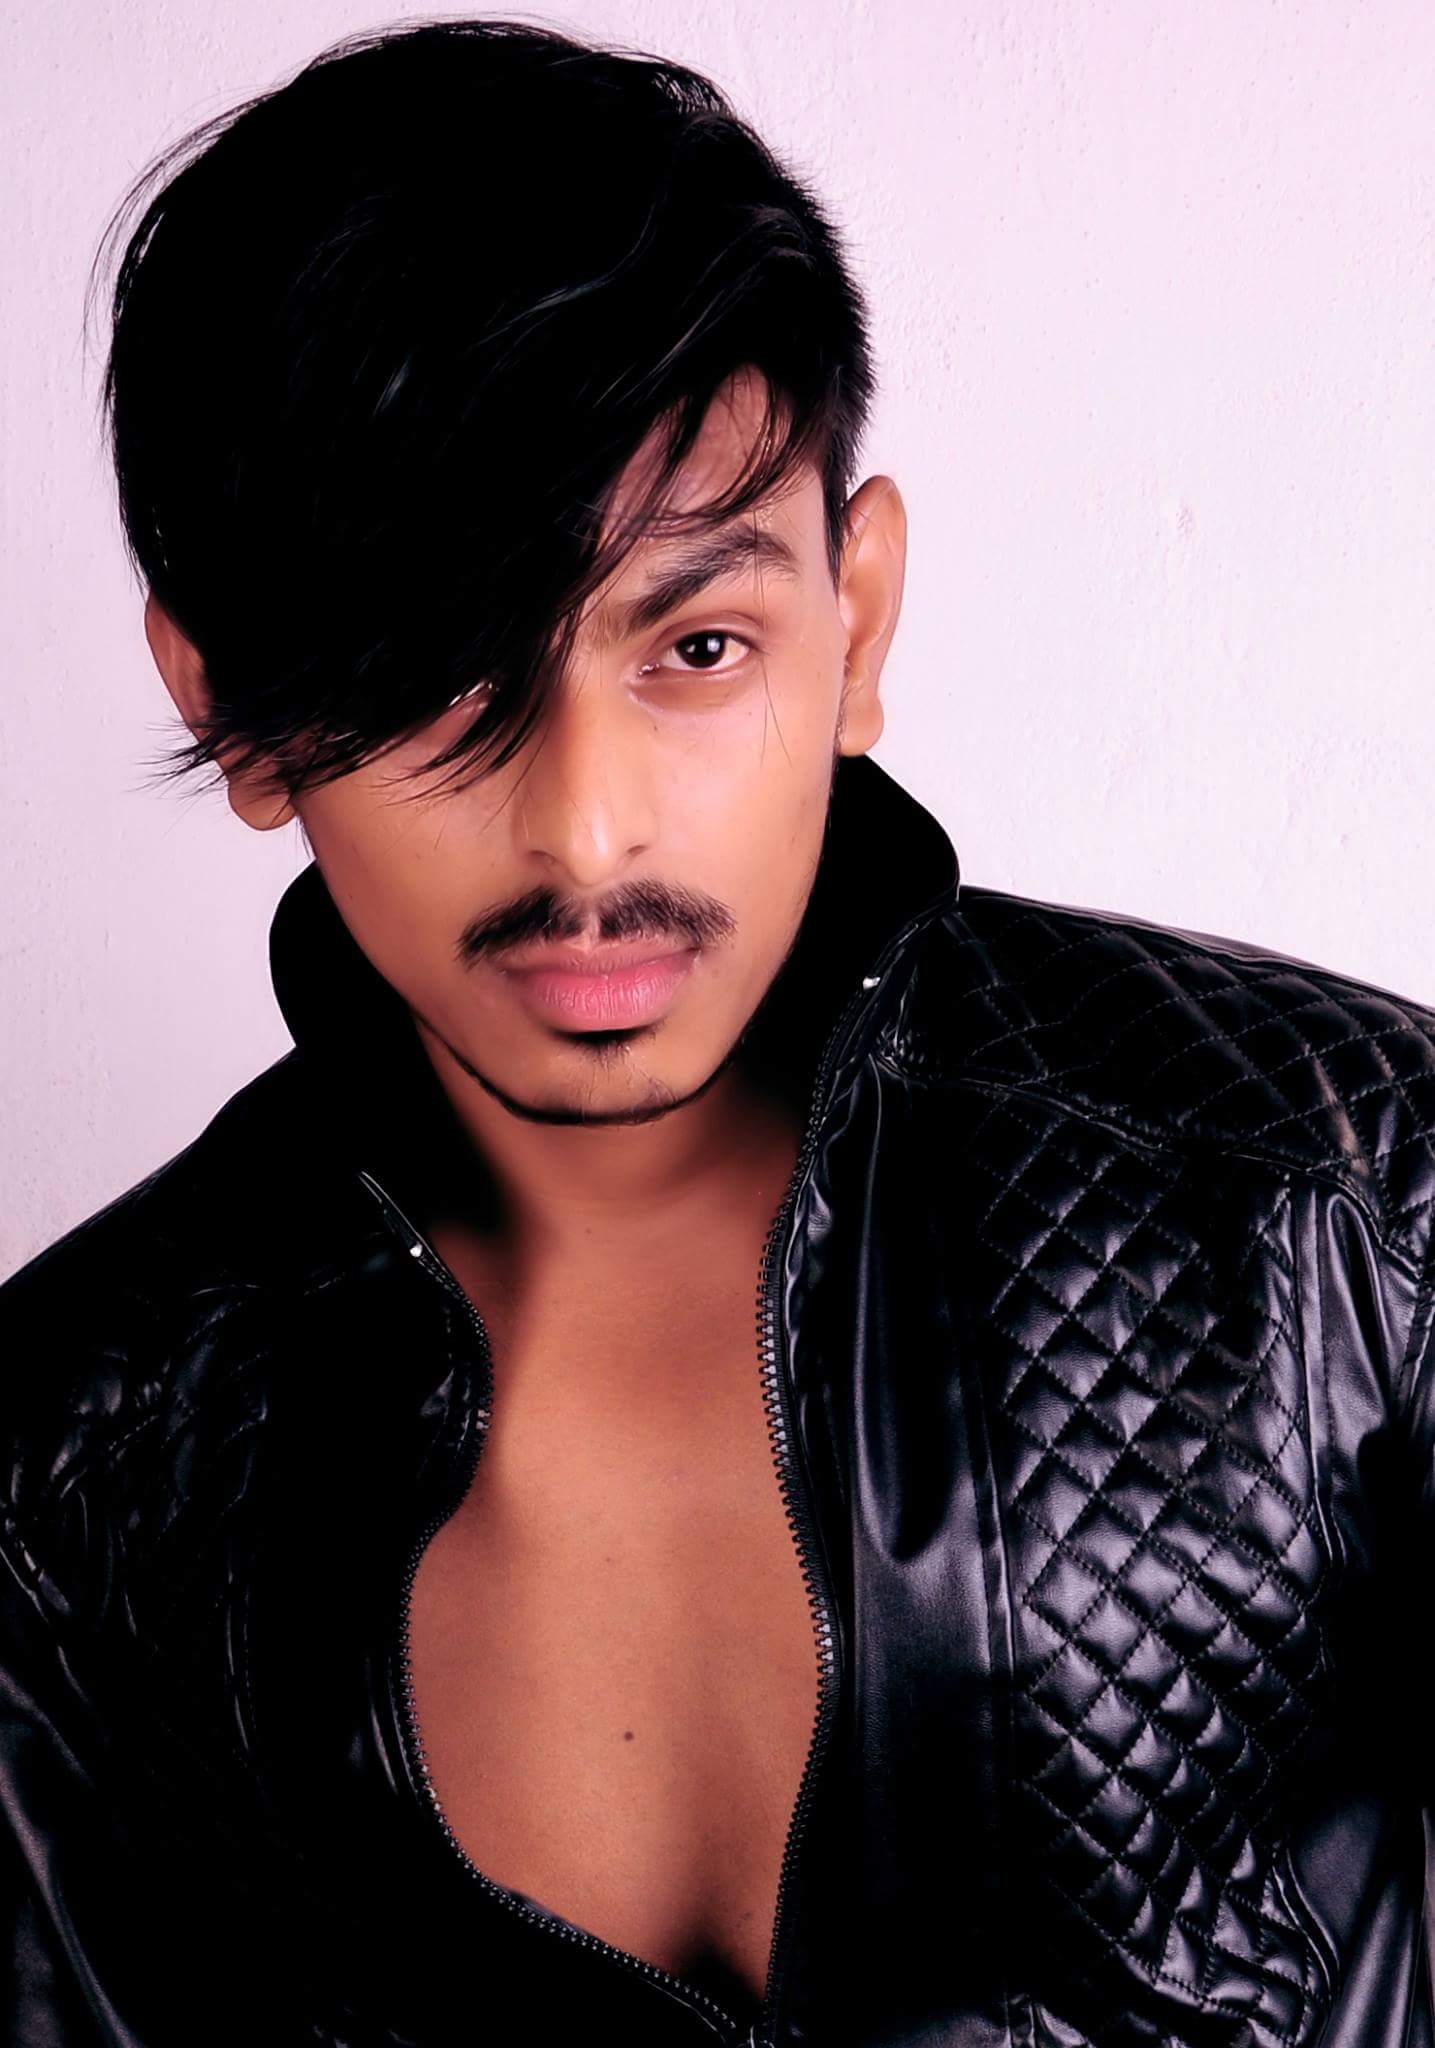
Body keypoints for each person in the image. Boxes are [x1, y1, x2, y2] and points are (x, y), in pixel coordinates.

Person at [3, 17, 1433, 2048]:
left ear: (858, 618)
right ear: (229, 705)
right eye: (430, 681)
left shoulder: (1348, 1211)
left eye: (695, 645)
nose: (586, 830)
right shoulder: (73, 1472)